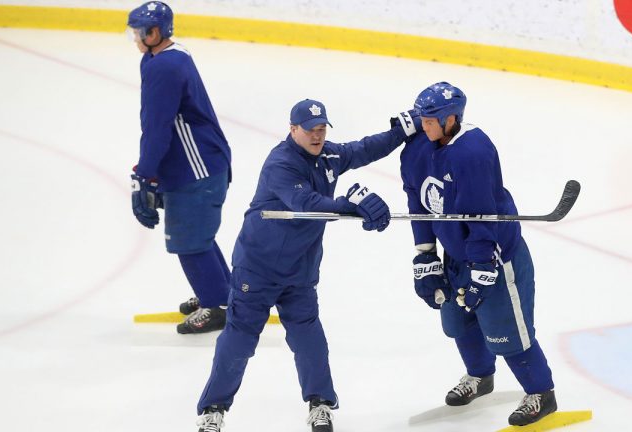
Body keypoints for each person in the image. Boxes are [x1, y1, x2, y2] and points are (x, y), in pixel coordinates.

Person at [194, 99, 419, 432]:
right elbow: (305, 203)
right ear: (292, 129)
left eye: (322, 129)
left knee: (309, 338)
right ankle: (213, 409)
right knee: (240, 338)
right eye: (311, 130)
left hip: (300, 270)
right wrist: (350, 207)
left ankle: (320, 404)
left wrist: (399, 133)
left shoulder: (328, 154)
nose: (317, 136)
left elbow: (363, 149)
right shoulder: (280, 163)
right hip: (257, 267)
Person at [400, 82, 557, 426]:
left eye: (430, 120)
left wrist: (483, 267)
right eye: (422, 119)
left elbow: (480, 214)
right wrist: (426, 255)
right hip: (455, 254)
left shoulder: (472, 151)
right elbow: (418, 204)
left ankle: (541, 393)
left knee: (506, 331)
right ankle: (480, 376)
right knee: (458, 319)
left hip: (496, 256)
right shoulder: (415, 150)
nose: (422, 125)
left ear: (451, 118)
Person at [127, 1, 232, 334]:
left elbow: (157, 128)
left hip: (197, 169)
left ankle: (217, 306)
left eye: (138, 32)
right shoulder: (163, 58)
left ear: (154, 33)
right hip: (199, 163)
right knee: (198, 235)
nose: (135, 39)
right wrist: (154, 171)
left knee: (188, 240)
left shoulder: (163, 67)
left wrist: (144, 175)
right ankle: (222, 294)